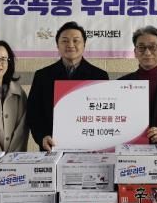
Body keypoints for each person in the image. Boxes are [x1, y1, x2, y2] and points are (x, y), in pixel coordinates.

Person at [27, 21, 108, 151]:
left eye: (76, 40)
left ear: (84, 44)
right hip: (52, 147)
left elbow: (105, 113)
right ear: (57, 45)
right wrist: (42, 137)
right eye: (65, 41)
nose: (70, 45)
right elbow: (33, 113)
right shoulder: (42, 76)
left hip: (89, 149)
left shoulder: (99, 76)